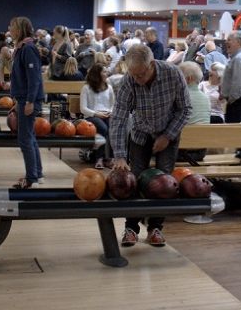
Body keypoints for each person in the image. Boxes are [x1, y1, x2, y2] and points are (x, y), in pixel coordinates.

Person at [109, 45, 191, 247]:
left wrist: (167, 136)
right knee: (134, 179)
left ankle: (155, 228)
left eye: (141, 74)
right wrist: (119, 155)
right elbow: (119, 117)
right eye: (134, 75)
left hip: (168, 131)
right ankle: (131, 228)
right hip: (140, 133)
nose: (138, 79)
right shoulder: (130, 80)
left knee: (163, 182)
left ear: (152, 65)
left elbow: (185, 110)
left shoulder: (173, 74)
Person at [8, 17, 45, 190]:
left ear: (20, 29)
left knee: (24, 139)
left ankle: (31, 178)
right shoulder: (21, 48)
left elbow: (34, 79)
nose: (9, 29)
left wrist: (29, 101)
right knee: (30, 137)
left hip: (28, 100)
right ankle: (37, 174)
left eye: (12, 27)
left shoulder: (29, 49)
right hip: (22, 99)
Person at [80, 63, 116, 168]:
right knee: (103, 128)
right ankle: (99, 158)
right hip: (91, 115)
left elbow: (113, 104)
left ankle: (110, 158)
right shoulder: (86, 88)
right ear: (97, 74)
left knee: (113, 128)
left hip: (107, 114)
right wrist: (97, 114)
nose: (107, 73)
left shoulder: (109, 87)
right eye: (104, 72)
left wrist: (110, 112)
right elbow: (83, 109)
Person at [221, 33, 241, 123]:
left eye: (229, 39)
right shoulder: (239, 57)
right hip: (239, 101)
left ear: (238, 42)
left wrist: (230, 100)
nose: (226, 42)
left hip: (238, 102)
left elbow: (238, 83)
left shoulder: (239, 58)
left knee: (234, 132)